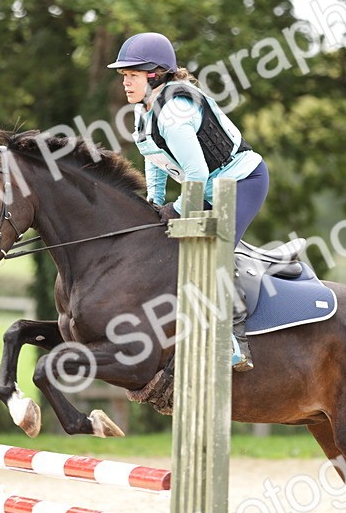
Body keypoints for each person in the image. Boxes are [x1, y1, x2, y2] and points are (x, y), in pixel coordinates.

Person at [108, 31, 267, 372]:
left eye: (132, 75)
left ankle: (234, 340)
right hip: (205, 189)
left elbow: (195, 171)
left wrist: (177, 209)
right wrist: (154, 202)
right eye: (124, 75)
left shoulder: (174, 114)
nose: (125, 82)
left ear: (154, 75)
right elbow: (154, 157)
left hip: (242, 183)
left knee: (213, 253)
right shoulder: (144, 110)